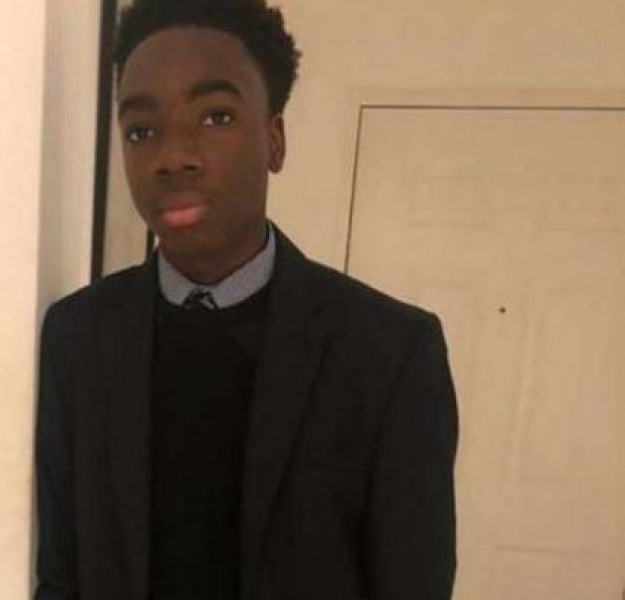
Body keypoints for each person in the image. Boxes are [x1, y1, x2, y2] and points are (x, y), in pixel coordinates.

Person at [33, 0, 458, 598]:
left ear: (275, 140)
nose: (172, 156)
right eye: (141, 130)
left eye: (215, 117)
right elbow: (61, 573)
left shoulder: (389, 352)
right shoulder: (77, 337)